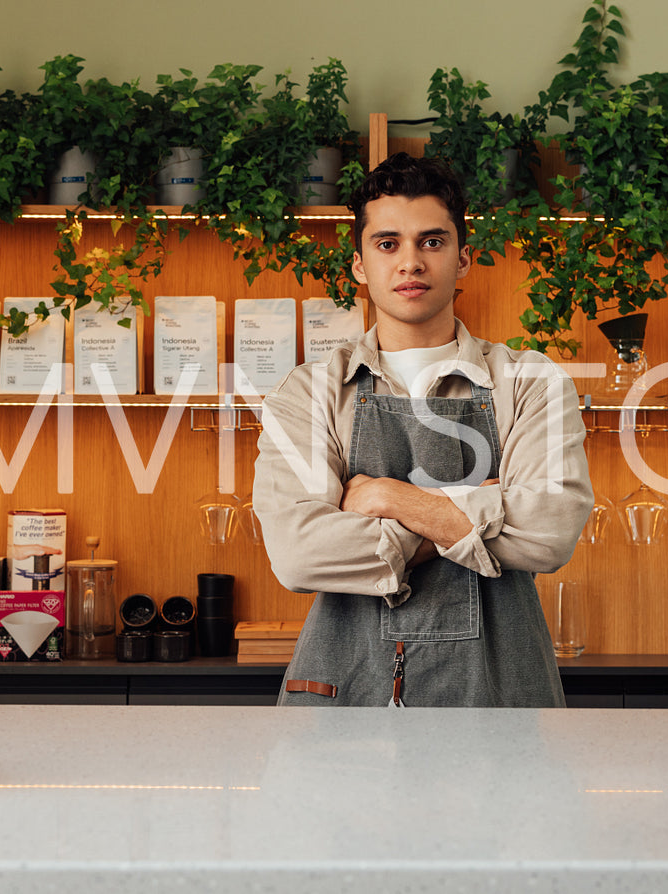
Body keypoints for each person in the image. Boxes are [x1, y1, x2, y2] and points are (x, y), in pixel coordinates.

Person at [253, 152, 593, 707]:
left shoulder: (530, 381)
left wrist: (386, 496)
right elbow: (298, 555)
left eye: (432, 242)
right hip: (347, 688)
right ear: (360, 265)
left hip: (500, 687)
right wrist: (474, 511)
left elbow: (547, 534)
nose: (410, 262)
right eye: (388, 244)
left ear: (463, 259)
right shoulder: (309, 390)